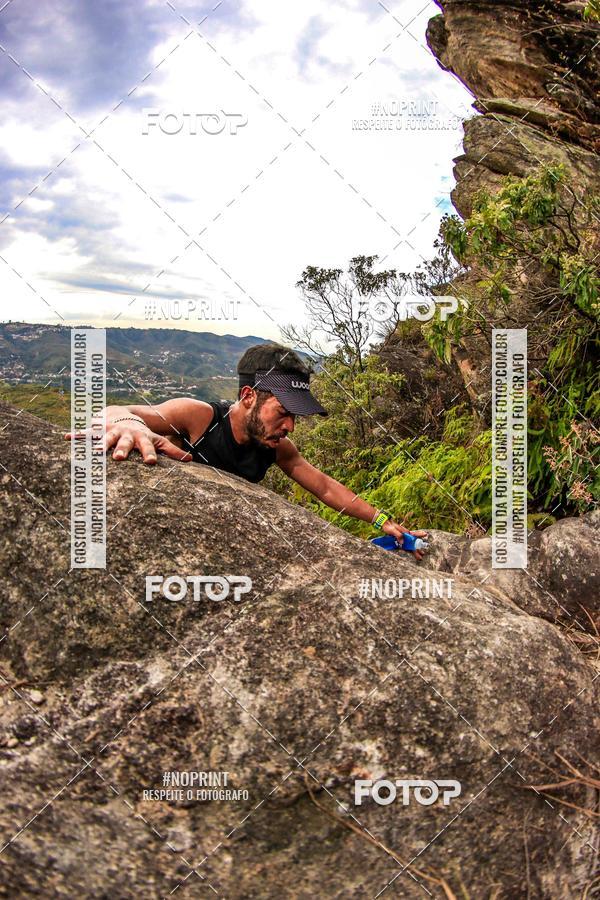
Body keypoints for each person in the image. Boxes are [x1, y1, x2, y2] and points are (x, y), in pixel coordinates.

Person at [66, 342, 428, 559]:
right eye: (283, 413)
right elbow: (118, 412)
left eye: (295, 417)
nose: (289, 427)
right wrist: (132, 426)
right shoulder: (200, 417)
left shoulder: (278, 448)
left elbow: (325, 487)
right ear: (248, 396)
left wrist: (382, 522)